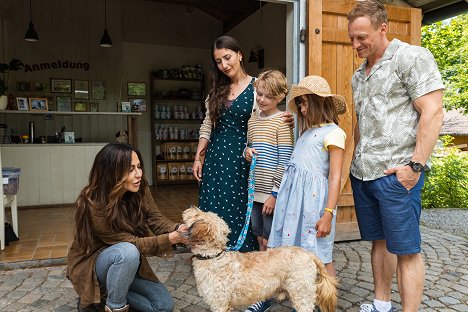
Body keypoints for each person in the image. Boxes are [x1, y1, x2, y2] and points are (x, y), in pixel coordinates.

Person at [347, 1, 444, 312]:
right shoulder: (358, 76)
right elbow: (362, 122)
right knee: (379, 242)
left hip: (397, 173)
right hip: (364, 173)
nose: (355, 44)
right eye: (351, 37)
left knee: (406, 249)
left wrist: (415, 166)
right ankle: (381, 304)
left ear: (382, 28)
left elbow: (433, 111)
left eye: (361, 37)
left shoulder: (411, 57)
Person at [192, 35, 293, 253]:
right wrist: (198, 157)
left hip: (243, 158)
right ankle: (212, 254)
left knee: (238, 207)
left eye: (227, 57)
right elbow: (207, 125)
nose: (224, 65)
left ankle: (241, 257)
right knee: (214, 206)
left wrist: (290, 119)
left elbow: (269, 115)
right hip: (216, 158)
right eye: (218, 61)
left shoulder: (258, 86)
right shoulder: (216, 90)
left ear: (240, 54)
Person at [67, 143, 189, 312]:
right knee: (128, 252)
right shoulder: (94, 203)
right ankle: (114, 305)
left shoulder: (139, 188)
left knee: (162, 306)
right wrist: (171, 238)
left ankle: (106, 294)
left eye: (139, 167)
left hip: (126, 264)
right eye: (131, 169)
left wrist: (180, 229)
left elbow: (156, 219)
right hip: (96, 263)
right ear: (112, 172)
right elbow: (133, 244)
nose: (139, 174)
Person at [267, 75, 347, 311]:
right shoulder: (306, 132)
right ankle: (301, 300)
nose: (301, 108)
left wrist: (328, 214)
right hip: (293, 205)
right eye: (299, 103)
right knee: (294, 252)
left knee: (320, 255)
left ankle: (328, 303)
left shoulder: (333, 133)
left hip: (313, 205)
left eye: (305, 103)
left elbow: (334, 177)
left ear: (320, 102)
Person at [244, 69, 294, 251]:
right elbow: (248, 146)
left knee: (269, 238)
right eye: (259, 94)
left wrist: (274, 194)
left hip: (272, 195)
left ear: (280, 97)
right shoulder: (252, 121)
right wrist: (246, 152)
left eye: (269, 96)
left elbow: (286, 160)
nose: (262, 100)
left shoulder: (282, 121)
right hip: (255, 191)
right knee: (258, 235)